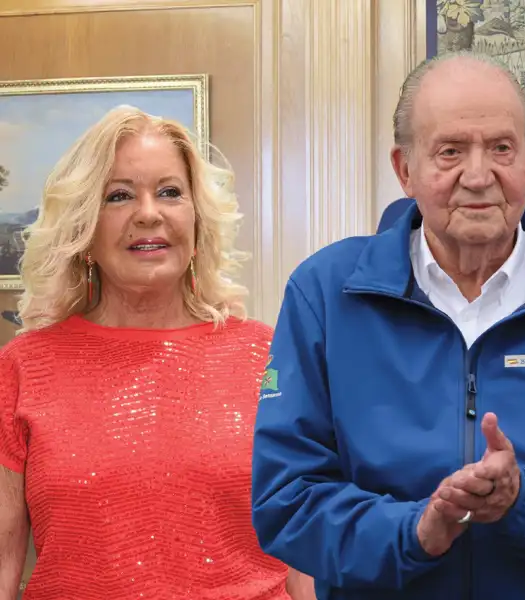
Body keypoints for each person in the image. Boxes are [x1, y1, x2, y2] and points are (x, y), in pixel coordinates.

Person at [251, 52, 525, 599]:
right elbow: (286, 501)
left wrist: (524, 502)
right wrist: (416, 531)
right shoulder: (324, 292)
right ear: (404, 169)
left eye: (501, 148)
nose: (480, 175)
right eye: (450, 151)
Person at [0, 105, 312, 600]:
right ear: (84, 231)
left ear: (197, 222)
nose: (149, 212)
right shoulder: (23, 366)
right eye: (119, 196)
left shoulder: (263, 353)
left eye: (170, 192)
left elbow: (301, 546)